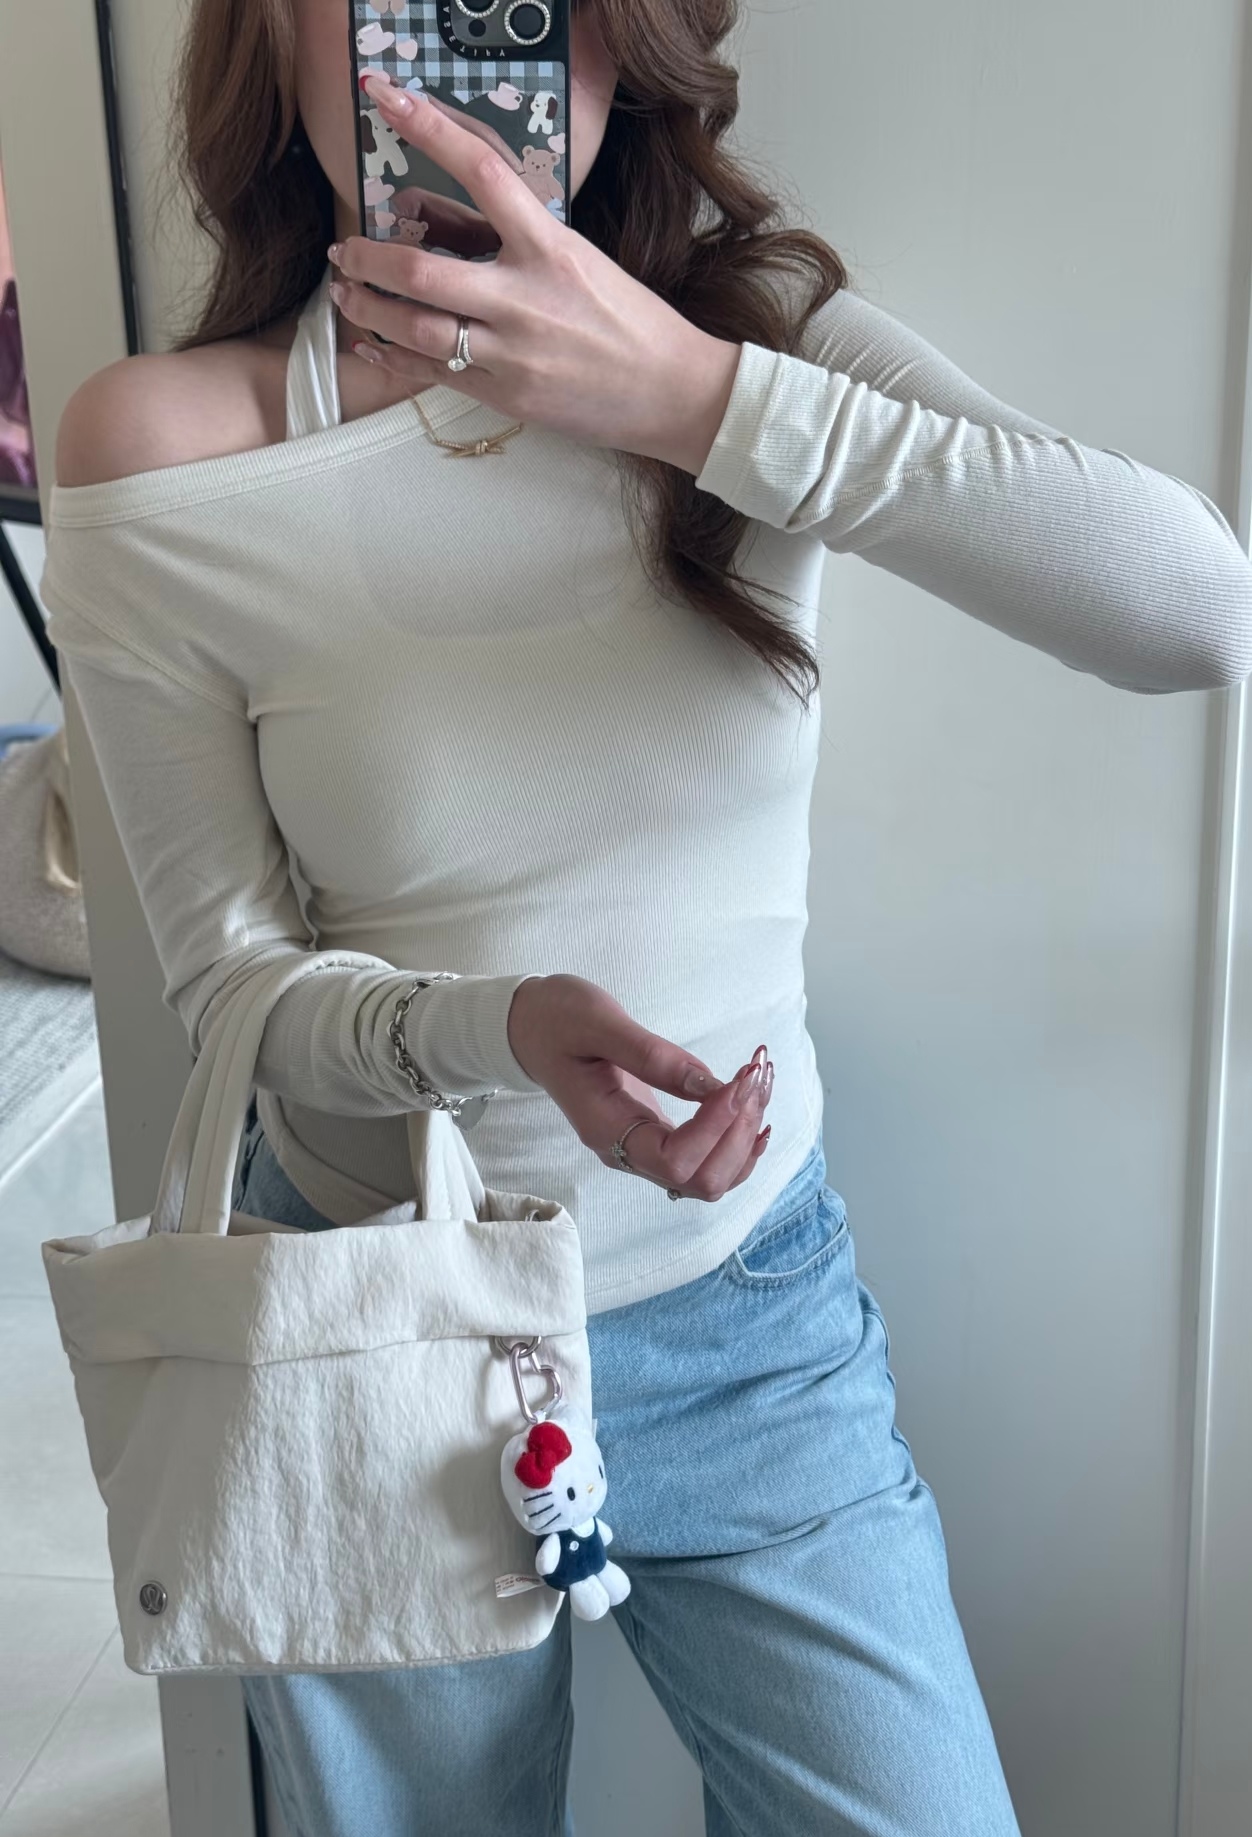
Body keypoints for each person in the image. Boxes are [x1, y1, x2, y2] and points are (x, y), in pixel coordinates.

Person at [40, 1, 1252, 1832]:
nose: (458, 56)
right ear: (276, 33)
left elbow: (1196, 610)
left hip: (747, 1315)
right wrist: (492, 1030)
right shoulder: (167, 444)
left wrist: (688, 396)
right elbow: (229, 991)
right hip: (374, 1318)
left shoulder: (753, 341)